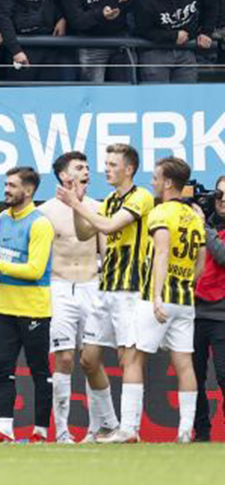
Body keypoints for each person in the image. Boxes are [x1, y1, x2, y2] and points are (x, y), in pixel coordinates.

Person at [56, 143, 154, 443]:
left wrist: (77, 204)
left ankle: (129, 429)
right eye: (107, 163)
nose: (106, 169)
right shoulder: (109, 199)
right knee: (88, 358)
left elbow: (110, 227)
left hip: (131, 288)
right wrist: (78, 205)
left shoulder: (142, 196)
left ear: (129, 169)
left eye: (113, 164)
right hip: (106, 287)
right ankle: (108, 424)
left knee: (128, 357)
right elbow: (86, 232)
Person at [126, 156, 206, 443]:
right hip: (185, 299)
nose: (152, 181)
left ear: (169, 182)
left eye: (156, 176)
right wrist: (188, 284)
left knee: (135, 357)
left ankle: (129, 430)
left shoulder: (161, 213)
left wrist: (158, 295)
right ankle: (185, 431)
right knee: (184, 362)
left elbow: (161, 252)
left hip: (156, 297)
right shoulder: (194, 217)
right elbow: (201, 258)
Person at [36, 150, 114, 443]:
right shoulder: (45, 212)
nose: (86, 172)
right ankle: (63, 431)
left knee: (92, 360)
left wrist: (108, 288)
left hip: (91, 287)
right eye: (79, 167)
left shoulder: (97, 207)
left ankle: (96, 430)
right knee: (65, 358)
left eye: (88, 167)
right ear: (63, 175)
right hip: (59, 288)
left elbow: (105, 251)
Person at [0, 167, 54, 442]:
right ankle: (4, 429)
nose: (6, 190)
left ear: (29, 190)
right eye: (6, 184)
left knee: (39, 371)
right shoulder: (2, 218)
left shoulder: (40, 224)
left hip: (34, 309)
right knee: (1, 368)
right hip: (3, 308)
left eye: (12, 186)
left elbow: (36, 270)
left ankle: (40, 431)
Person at [134, 0, 215, 83]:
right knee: (159, 98)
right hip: (156, 52)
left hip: (186, 49)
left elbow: (211, 6)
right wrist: (172, 36)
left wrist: (206, 31)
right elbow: (142, 30)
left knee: (187, 96)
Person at [193, 176, 225, 443]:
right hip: (194, 312)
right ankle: (201, 433)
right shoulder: (199, 224)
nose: (223, 200)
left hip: (223, 315)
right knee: (193, 378)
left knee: (224, 376)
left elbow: (222, 255)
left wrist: (203, 225)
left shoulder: (205, 227)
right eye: (220, 194)